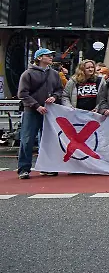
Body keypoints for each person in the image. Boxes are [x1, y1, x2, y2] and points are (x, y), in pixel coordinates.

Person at [16, 48, 63, 179]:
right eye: (48, 56)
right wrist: (36, 106)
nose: (51, 58)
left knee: (47, 140)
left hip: (48, 112)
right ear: (39, 58)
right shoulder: (28, 74)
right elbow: (22, 93)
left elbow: (60, 89)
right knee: (27, 140)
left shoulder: (54, 74)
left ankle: (46, 167)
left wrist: (54, 96)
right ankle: (24, 168)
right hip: (31, 111)